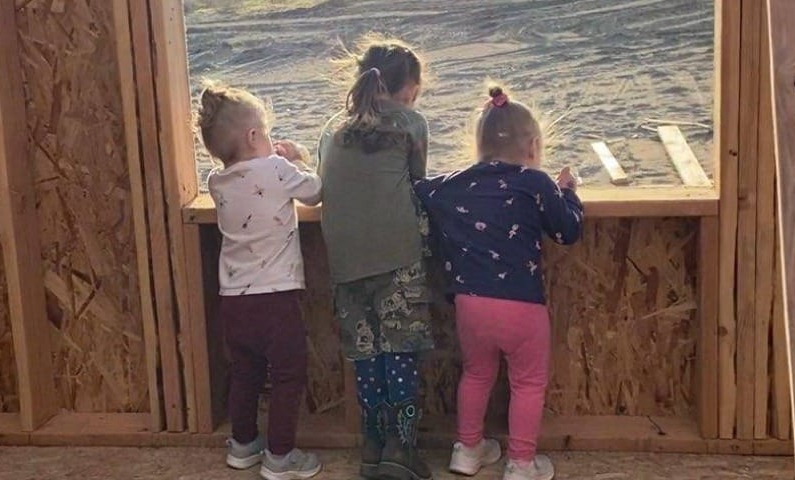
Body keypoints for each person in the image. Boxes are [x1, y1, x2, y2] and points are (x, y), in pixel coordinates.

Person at [413, 85, 583, 480]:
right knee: (528, 383)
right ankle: (522, 464)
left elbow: (418, 190)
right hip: (522, 305)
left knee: (476, 374)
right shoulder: (536, 183)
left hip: (471, 305)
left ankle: (467, 450)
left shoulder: (452, 184)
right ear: (534, 145)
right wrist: (568, 193)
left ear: (478, 144)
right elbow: (567, 231)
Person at [316, 36, 434, 480]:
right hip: (396, 255)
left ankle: (371, 445)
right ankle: (401, 450)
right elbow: (418, 183)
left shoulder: (332, 127)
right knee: (399, 349)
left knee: (366, 354)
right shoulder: (410, 123)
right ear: (409, 88)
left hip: (345, 261)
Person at [199, 84, 323, 480]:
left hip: (234, 300)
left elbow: (248, 180)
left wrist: (273, 159)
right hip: (276, 299)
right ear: (254, 136)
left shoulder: (217, 182)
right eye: (267, 133)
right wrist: (298, 159)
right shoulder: (276, 170)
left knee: (246, 373)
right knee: (287, 374)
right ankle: (280, 457)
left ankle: (242, 445)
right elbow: (315, 193)